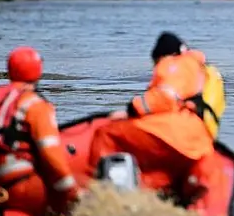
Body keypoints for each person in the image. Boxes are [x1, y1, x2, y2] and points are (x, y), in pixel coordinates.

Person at [86, 32, 226, 207]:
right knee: (158, 173)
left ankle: (97, 198)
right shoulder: (200, 69)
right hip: (197, 143)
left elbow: (165, 96)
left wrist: (133, 109)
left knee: (106, 134)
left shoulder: (175, 64)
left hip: (176, 134)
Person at [0, 47, 81, 216]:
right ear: (38, 70)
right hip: (23, 190)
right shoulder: (34, 104)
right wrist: (73, 193)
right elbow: (51, 156)